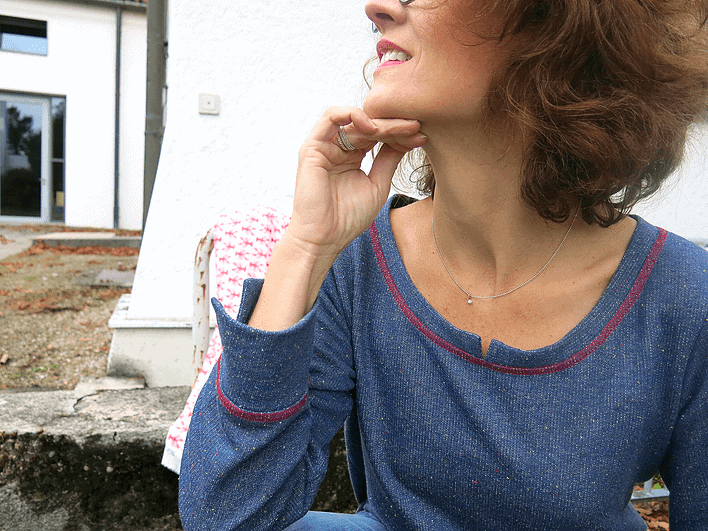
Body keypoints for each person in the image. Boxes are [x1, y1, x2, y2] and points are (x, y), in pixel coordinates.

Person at [178, 0, 708, 529]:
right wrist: (307, 246)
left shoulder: (684, 296)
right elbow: (226, 515)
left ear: (548, 26)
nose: (377, 7)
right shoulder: (361, 259)